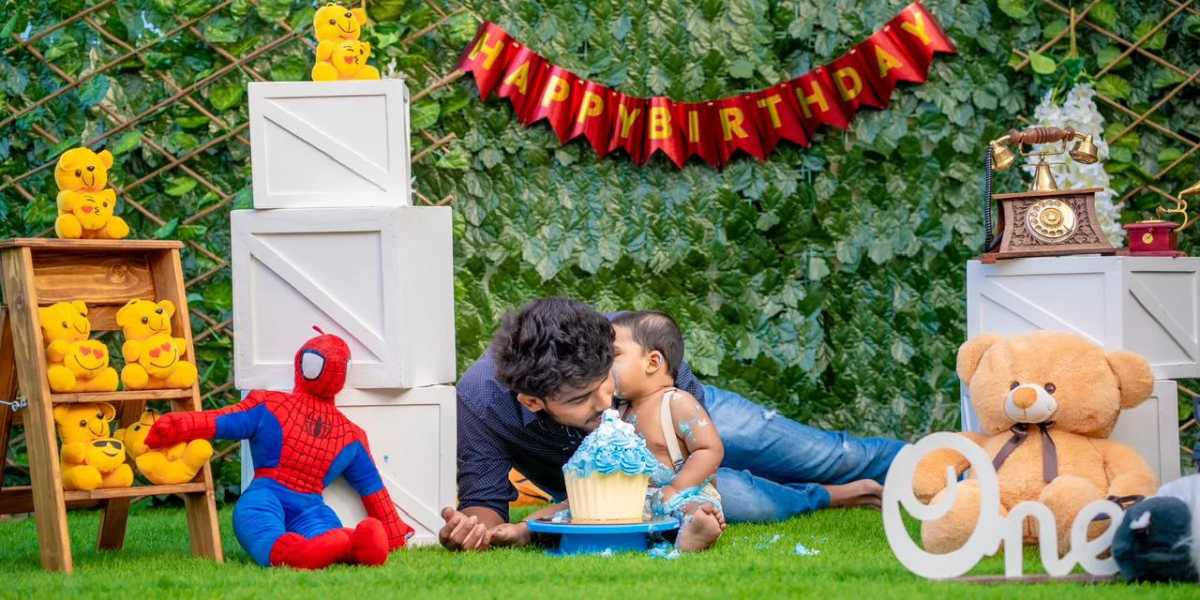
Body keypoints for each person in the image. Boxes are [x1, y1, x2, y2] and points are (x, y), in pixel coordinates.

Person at [440, 298, 904, 551]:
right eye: (580, 399)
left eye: (606, 381)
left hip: (682, 416)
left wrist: (675, 468)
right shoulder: (480, 403)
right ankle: (838, 496)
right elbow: (485, 506)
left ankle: (937, 463)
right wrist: (473, 532)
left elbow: (677, 393)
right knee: (747, 502)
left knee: (827, 456)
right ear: (531, 400)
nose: (605, 404)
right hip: (631, 490)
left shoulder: (606, 334)